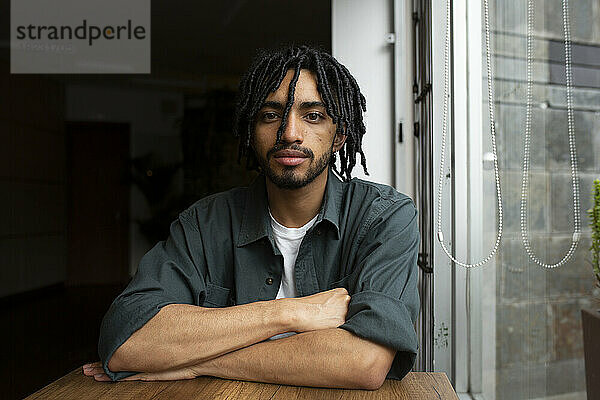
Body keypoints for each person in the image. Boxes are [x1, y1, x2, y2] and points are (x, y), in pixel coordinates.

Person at [82, 45, 420, 390]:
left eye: (313, 116)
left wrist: (199, 361)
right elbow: (126, 341)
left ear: (340, 136)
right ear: (251, 131)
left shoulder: (384, 217)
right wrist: (290, 313)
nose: (290, 133)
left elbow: (364, 362)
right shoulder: (204, 223)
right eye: (271, 115)